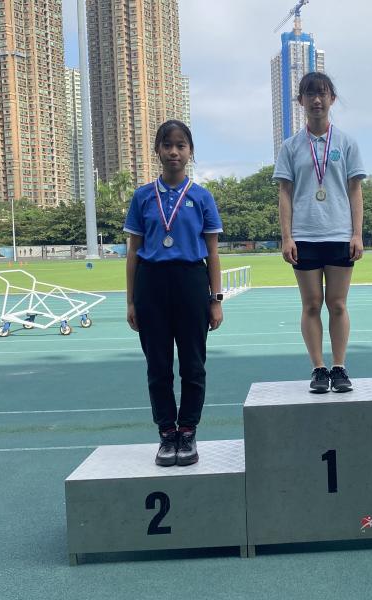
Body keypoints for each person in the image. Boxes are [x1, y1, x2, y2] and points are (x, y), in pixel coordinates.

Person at [124, 119, 224, 467]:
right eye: (167, 145)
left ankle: (188, 430)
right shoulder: (142, 197)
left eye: (181, 145)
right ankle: (167, 434)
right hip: (151, 284)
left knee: (194, 365)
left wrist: (216, 298)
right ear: (157, 151)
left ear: (190, 152)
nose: (174, 152)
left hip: (191, 283)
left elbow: (212, 252)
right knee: (158, 366)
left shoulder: (201, 197)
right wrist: (131, 300)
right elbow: (134, 250)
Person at [274, 72, 366, 393]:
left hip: (340, 234)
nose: (316, 100)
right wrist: (287, 237)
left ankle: (339, 367)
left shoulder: (346, 143)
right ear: (300, 101)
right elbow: (285, 192)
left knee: (338, 304)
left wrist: (357, 234)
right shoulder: (290, 147)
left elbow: (355, 190)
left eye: (322, 94)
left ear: (332, 100)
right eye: (309, 94)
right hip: (305, 236)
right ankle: (318, 369)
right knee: (311, 304)